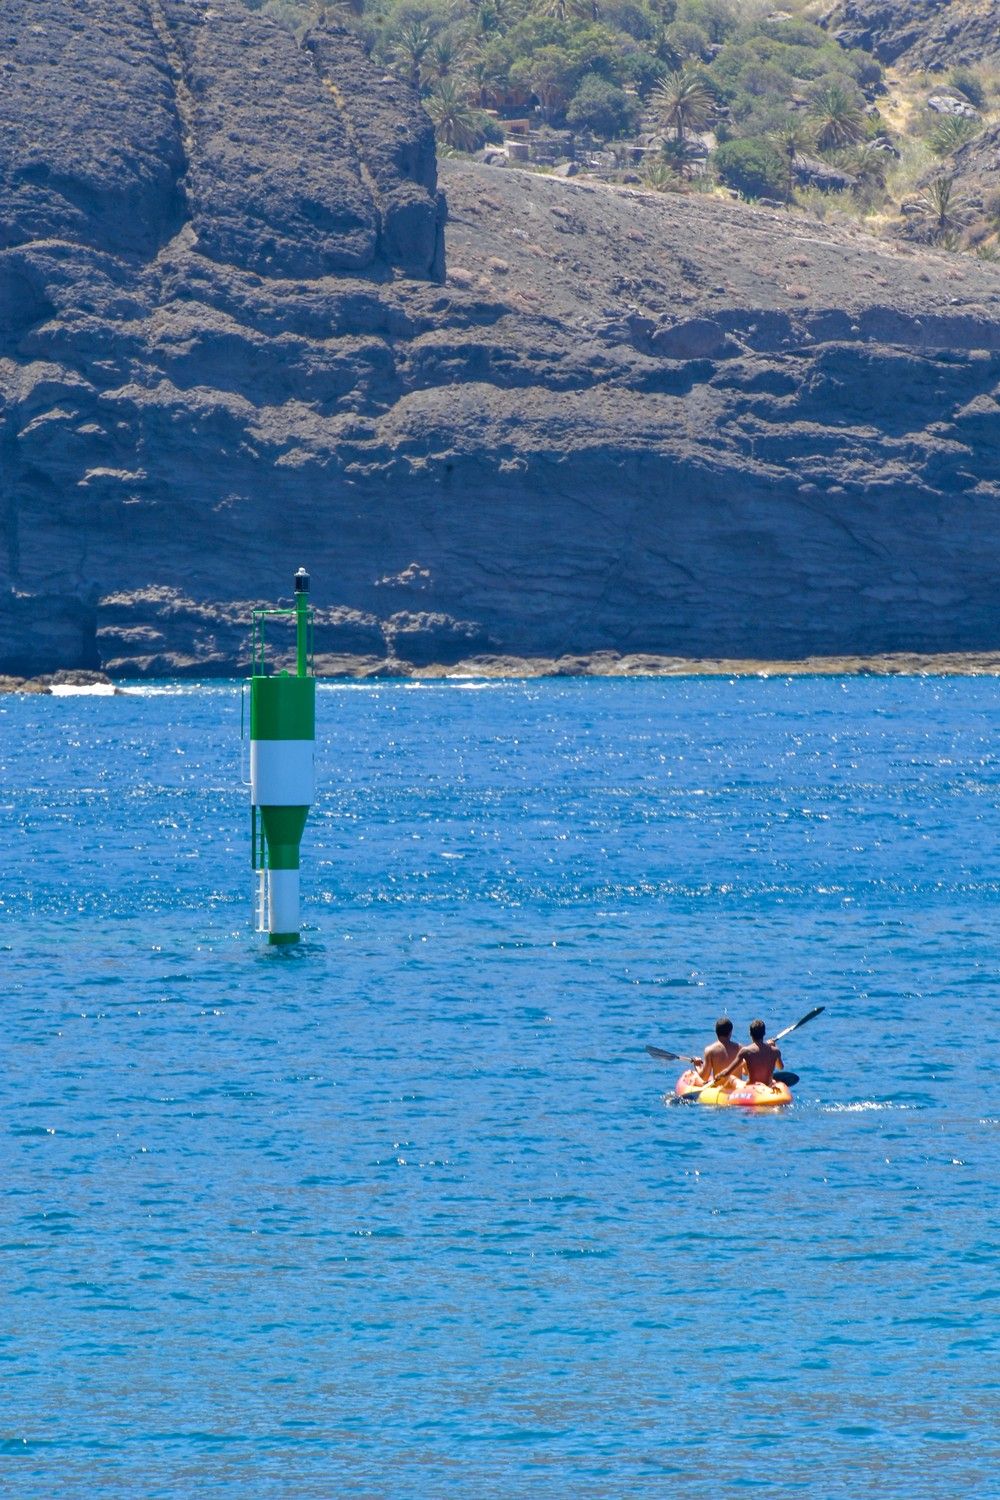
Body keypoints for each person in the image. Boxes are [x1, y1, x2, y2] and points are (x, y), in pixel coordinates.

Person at [714, 1018, 783, 1088]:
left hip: (751, 1087)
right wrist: (773, 1046)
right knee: (773, 1081)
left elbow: (727, 1072)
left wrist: (718, 1076)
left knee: (731, 1077)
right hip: (768, 1086)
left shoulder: (745, 1051)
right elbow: (780, 1067)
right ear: (764, 1033)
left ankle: (722, 1092)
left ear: (750, 1033)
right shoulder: (775, 1051)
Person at [695, 1017, 744, 1084]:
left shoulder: (710, 1050)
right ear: (730, 1032)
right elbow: (746, 1072)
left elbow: (704, 1077)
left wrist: (698, 1066)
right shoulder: (740, 1048)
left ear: (716, 1031)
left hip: (720, 1090)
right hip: (737, 1091)